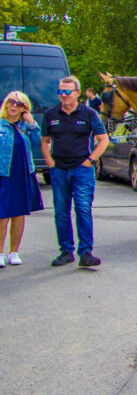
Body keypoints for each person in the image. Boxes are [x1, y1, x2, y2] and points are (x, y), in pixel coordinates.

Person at [41, 75, 109, 268]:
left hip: (82, 170)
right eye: (60, 91)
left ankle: (86, 252)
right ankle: (66, 251)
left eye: (67, 91)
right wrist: (50, 162)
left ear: (77, 93)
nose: (63, 95)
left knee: (83, 209)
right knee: (61, 211)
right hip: (59, 170)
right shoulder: (50, 115)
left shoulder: (89, 114)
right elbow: (44, 141)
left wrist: (91, 160)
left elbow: (103, 139)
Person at [0, 91, 44, 268]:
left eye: (18, 104)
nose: (13, 106)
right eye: (11, 101)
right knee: (2, 215)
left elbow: (37, 142)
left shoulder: (25, 126)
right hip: (4, 174)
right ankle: (0, 253)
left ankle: (14, 252)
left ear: (24, 108)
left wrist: (31, 122)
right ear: (6, 104)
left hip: (22, 174)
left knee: (19, 214)